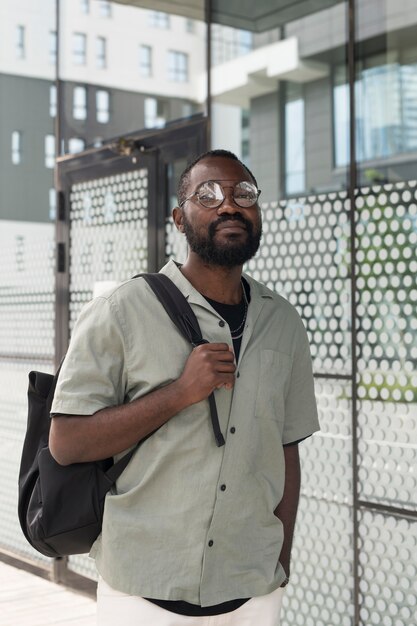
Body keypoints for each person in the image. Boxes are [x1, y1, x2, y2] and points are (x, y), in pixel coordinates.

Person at [49, 149, 319, 626]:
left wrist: (282, 559)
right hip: (142, 592)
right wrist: (178, 393)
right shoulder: (122, 310)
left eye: (244, 194)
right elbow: (67, 443)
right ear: (179, 218)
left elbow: (286, 448)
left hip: (253, 591)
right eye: (208, 194)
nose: (229, 205)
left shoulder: (284, 322)